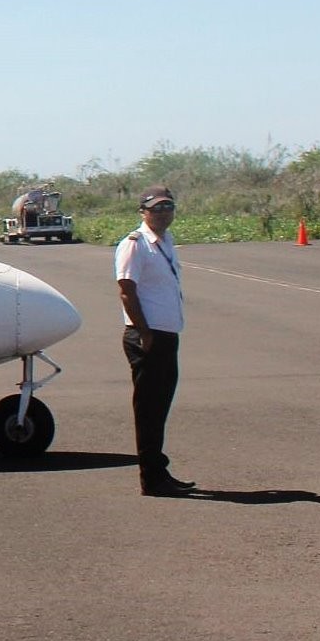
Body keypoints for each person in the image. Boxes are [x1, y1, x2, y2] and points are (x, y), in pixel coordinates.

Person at [117, 184, 194, 497]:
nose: (162, 214)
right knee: (148, 409)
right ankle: (151, 478)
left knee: (160, 406)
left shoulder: (165, 241)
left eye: (167, 208)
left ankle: (159, 469)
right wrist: (145, 333)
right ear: (142, 212)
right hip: (146, 336)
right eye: (155, 209)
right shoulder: (135, 244)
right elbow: (126, 289)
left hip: (165, 335)